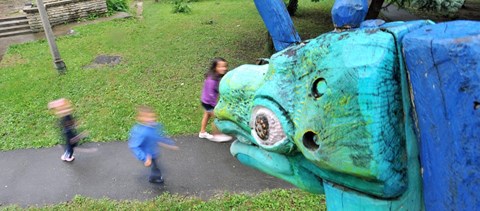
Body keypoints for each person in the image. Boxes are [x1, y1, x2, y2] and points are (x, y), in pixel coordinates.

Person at [128, 106, 179, 184]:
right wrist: (144, 158)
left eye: (152, 116)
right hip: (147, 154)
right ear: (141, 119)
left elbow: (158, 136)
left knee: (155, 164)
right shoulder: (141, 132)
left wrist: (169, 144)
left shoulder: (154, 125)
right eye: (148, 117)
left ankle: (154, 175)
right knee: (154, 166)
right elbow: (134, 146)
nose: (151, 119)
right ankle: (155, 178)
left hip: (153, 151)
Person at [199, 57, 232, 142]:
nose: (224, 68)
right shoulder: (212, 80)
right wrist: (216, 106)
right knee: (218, 118)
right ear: (215, 67)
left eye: (225, 66)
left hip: (205, 101)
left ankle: (202, 132)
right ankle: (217, 135)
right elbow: (210, 94)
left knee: (207, 115)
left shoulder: (214, 76)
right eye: (220, 66)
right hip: (209, 102)